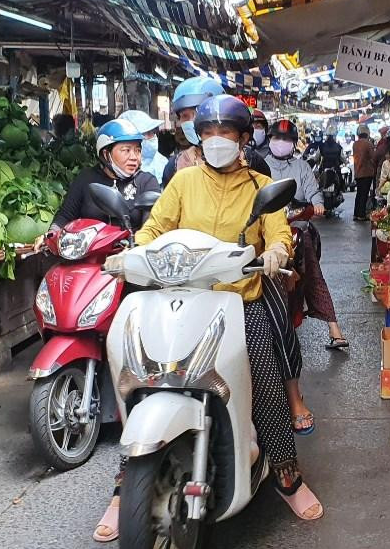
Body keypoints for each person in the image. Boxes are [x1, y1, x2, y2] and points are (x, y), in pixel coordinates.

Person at [121, 95, 323, 523]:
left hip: (238, 299)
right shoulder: (183, 182)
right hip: (182, 296)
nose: (216, 141)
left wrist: (277, 253)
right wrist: (134, 252)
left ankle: (287, 474)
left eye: (225, 133)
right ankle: (126, 483)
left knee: (265, 379)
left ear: (244, 139)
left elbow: (278, 232)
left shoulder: (257, 185)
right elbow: (156, 227)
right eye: (208, 133)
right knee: (136, 371)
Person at [265, 119, 349, 431]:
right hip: (267, 233)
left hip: (298, 227)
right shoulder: (260, 163)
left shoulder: (301, 167)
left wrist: (316, 206)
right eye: (277, 137)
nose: (280, 142)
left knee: (312, 275)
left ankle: (335, 330)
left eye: (285, 138)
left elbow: (314, 195)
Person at [43, 117, 160, 250]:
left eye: (137, 150)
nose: (134, 157)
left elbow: (150, 225)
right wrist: (50, 235)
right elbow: (65, 215)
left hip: (129, 256)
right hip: (87, 254)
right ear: (106, 154)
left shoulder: (146, 182)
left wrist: (136, 243)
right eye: (126, 150)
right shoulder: (86, 179)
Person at [164, 76, 270, 185]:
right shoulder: (176, 165)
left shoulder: (251, 160)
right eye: (185, 116)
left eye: (198, 113)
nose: (192, 121)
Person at [118, 109, 166, 181]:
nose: (152, 136)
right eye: (145, 133)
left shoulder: (163, 162)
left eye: (152, 132)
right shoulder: (119, 167)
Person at [351, 124, 376, 221]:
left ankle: (356, 214)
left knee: (359, 194)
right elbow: (373, 157)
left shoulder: (355, 144)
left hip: (358, 172)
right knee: (364, 194)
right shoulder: (368, 144)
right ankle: (361, 215)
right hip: (366, 172)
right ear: (367, 133)